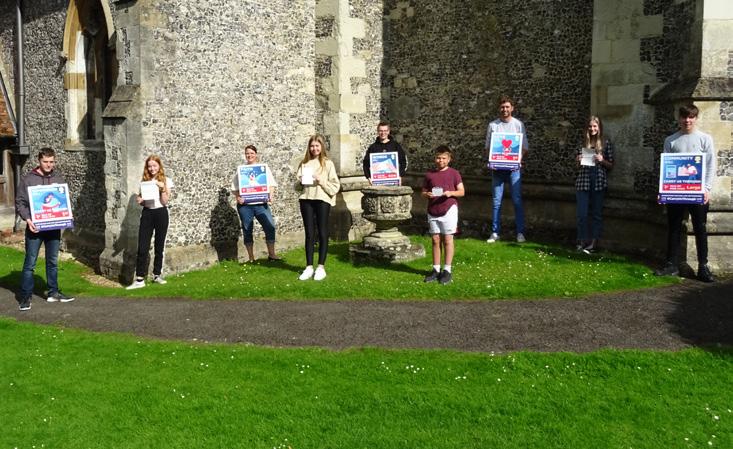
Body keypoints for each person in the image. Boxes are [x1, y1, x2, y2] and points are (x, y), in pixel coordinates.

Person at [655, 104, 717, 282]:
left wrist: (707, 189)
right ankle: (671, 265)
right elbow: (666, 168)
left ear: (696, 118)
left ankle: (703, 267)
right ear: (679, 118)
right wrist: (663, 191)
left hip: (698, 193)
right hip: (675, 193)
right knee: (674, 228)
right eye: (684, 117)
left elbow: (710, 165)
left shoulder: (705, 139)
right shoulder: (671, 140)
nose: (687, 120)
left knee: (700, 228)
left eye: (691, 117)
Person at [15, 147, 75, 310]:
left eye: (51, 162)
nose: (49, 165)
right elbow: (20, 202)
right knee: (30, 263)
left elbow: (63, 201)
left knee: (52, 262)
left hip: (53, 228)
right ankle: (25, 297)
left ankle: (53, 293)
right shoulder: (28, 179)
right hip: (35, 228)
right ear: (39, 161)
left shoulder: (58, 178)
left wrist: (66, 211)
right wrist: (28, 220)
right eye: (45, 162)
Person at [296, 134, 341, 281]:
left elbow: (335, 186)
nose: (314, 148)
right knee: (309, 233)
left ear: (321, 147)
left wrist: (321, 181)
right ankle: (309, 267)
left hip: (322, 200)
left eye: (317, 145)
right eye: (312, 146)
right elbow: (297, 186)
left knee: (322, 232)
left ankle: (321, 267)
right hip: (306, 200)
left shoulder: (328, 164)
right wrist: (301, 182)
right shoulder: (304, 163)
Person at [484, 95, 529, 243]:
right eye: (502, 107)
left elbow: (524, 147)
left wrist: (517, 160)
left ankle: (520, 233)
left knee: (517, 200)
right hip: (497, 170)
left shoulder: (518, 125)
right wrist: (493, 160)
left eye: (507, 107)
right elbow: (488, 147)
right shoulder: (493, 125)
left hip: (514, 170)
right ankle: (495, 232)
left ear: (512, 108)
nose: (505, 109)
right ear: (499, 108)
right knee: (496, 202)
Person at [126, 155, 174, 289]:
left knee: (159, 246)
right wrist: (140, 200)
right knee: (142, 247)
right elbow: (145, 201)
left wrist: (162, 188)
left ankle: (157, 275)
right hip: (147, 213)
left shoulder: (166, 181)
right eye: (149, 166)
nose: (152, 168)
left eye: (154, 165)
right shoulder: (145, 181)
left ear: (159, 166)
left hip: (161, 213)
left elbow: (164, 202)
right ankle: (139, 279)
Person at [421, 145, 465, 285]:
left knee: (447, 239)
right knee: (435, 239)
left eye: (443, 158)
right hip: (433, 209)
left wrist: (450, 193)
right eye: (438, 158)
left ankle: (447, 270)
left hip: (449, 209)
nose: (440, 161)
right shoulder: (429, 174)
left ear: (449, 159)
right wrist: (427, 194)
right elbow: (423, 192)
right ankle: (435, 269)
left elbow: (462, 191)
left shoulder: (454, 173)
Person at [230, 145, 280, 262]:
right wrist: (238, 197)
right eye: (247, 153)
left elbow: (271, 184)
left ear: (256, 154)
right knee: (247, 229)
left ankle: (272, 254)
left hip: (261, 204)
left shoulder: (263, 168)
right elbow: (234, 188)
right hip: (245, 206)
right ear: (245, 155)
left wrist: (270, 195)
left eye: (252, 153)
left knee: (270, 227)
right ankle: (251, 258)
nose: (249, 155)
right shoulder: (241, 170)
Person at [575, 116, 614, 253]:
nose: (592, 129)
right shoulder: (582, 143)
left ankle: (593, 243)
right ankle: (581, 241)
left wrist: (602, 160)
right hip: (583, 181)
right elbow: (576, 166)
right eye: (590, 126)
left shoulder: (605, 143)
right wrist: (578, 160)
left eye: (595, 126)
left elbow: (611, 165)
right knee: (582, 214)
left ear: (599, 127)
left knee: (596, 214)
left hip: (598, 182)